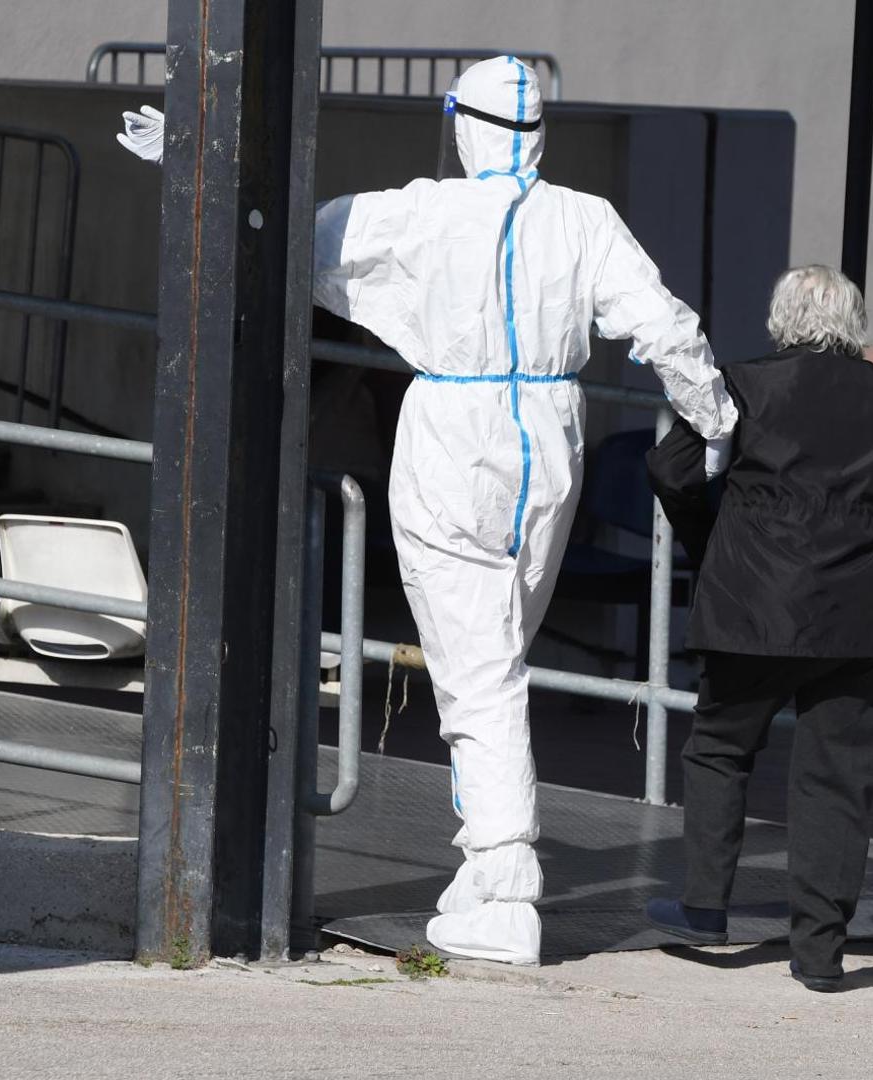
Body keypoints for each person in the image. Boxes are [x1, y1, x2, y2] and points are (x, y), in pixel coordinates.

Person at [119, 56, 738, 965]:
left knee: (478, 672)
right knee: (494, 656)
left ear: (462, 124)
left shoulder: (420, 212)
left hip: (455, 436)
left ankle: (506, 877)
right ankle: (481, 864)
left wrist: (190, 159)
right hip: (550, 441)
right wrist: (713, 419)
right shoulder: (586, 220)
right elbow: (668, 328)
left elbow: (281, 234)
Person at [643, 265, 873, 992]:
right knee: (839, 778)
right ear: (855, 323)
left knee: (720, 749)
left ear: (780, 320)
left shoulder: (743, 385)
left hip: (753, 602)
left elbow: (672, 470)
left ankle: (705, 908)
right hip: (866, 612)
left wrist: (713, 540)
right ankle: (819, 952)